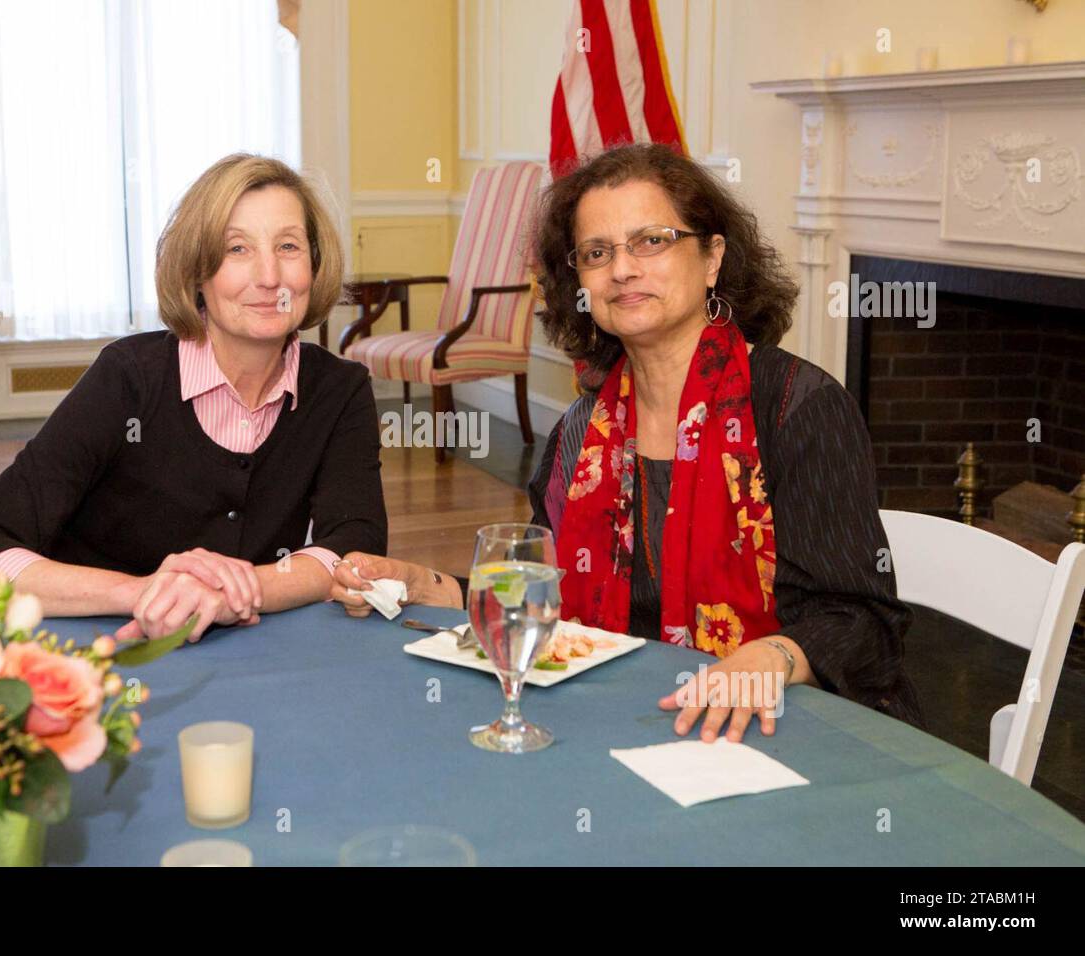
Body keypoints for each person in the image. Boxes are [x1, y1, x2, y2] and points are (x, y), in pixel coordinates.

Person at [330, 142, 923, 740]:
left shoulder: (799, 408)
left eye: (652, 241)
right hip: (634, 723)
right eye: (597, 252)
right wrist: (421, 585)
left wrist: (769, 659)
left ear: (713, 257)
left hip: (793, 727)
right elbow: (537, 595)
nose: (622, 269)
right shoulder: (581, 431)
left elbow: (865, 623)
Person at [0, 154, 387, 644]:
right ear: (197, 274)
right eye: (237, 248)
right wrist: (146, 592)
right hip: (98, 654)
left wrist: (237, 589)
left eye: (288, 246)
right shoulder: (128, 378)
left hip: (245, 657)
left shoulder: (340, 391)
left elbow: (355, 547)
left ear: (315, 267)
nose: (269, 276)